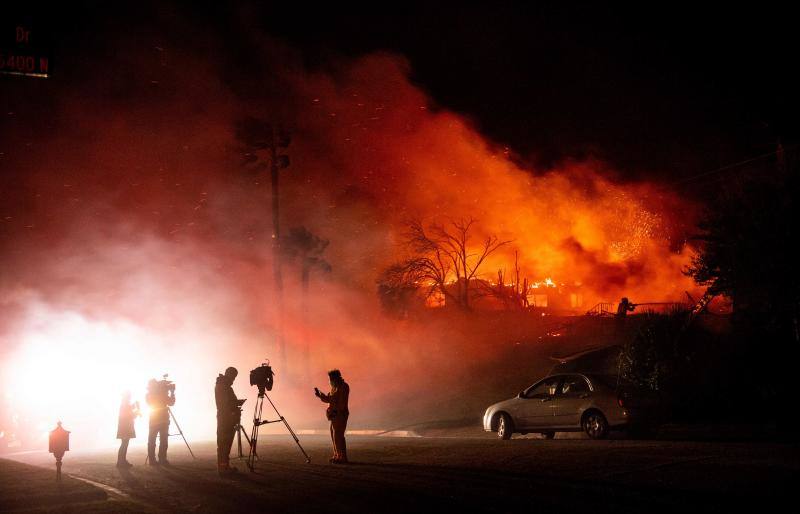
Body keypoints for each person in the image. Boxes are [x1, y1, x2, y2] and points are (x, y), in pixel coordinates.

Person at [314, 369, 350, 464]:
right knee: (334, 435)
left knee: (338, 435)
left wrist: (335, 411)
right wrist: (320, 396)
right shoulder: (335, 388)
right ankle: (337, 455)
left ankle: (342, 457)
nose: (329, 381)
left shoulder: (343, 387)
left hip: (340, 414)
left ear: (336, 378)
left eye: (330, 378)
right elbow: (330, 399)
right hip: (334, 415)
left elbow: (341, 403)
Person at [215, 366, 240, 475]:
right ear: (229, 374)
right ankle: (223, 468)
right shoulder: (223, 386)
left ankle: (224, 467)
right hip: (226, 418)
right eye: (233, 377)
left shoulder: (222, 385)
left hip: (225, 417)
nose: (233, 379)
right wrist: (234, 409)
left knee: (224, 443)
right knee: (225, 443)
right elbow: (225, 403)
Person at [146, 378, 175, 466]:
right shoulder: (154, 394)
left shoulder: (149, 394)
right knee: (162, 440)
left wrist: (167, 392)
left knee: (154, 440)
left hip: (156, 420)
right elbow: (171, 403)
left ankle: (153, 460)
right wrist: (171, 392)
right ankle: (161, 459)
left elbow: (170, 403)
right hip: (162, 420)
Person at [116, 391, 140, 468]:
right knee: (124, 444)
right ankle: (121, 462)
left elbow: (129, 410)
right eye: (129, 396)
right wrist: (137, 411)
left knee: (124, 444)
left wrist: (135, 407)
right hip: (125, 427)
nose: (130, 397)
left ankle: (122, 461)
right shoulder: (125, 404)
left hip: (124, 427)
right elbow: (130, 415)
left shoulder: (124, 403)